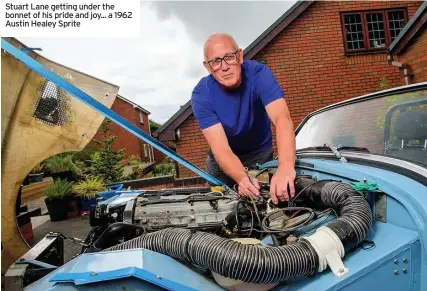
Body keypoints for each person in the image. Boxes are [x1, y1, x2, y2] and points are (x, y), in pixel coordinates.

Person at [191, 32, 296, 204]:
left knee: (265, 204)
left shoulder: (259, 74)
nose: (224, 67)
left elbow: (282, 118)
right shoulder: (201, 94)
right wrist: (242, 178)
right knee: (222, 209)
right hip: (221, 165)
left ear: (239, 56)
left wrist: (285, 167)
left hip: (259, 155)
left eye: (229, 57)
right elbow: (221, 149)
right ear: (208, 67)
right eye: (216, 62)